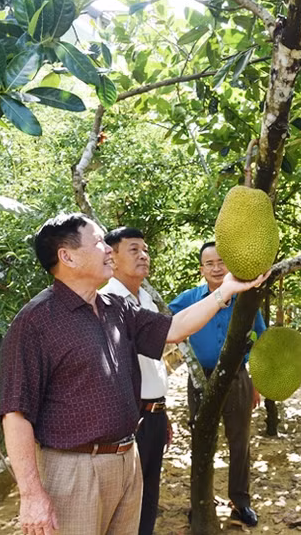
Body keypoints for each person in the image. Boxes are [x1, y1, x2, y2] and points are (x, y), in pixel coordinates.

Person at [0, 214, 268, 535]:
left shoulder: (116, 308)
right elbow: (15, 413)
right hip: (74, 471)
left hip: (127, 458)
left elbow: (175, 327)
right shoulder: (35, 322)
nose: (108, 250)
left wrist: (224, 291)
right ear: (66, 256)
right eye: (99, 242)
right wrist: (31, 495)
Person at [168, 242, 266, 528]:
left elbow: (261, 339)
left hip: (238, 378)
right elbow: (162, 320)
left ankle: (241, 502)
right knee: (201, 441)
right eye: (209, 263)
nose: (216, 268)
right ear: (202, 269)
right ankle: (201, 500)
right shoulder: (189, 299)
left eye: (221, 262)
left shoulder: (245, 300)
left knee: (240, 441)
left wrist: (256, 383)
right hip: (200, 378)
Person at [99, 226, 170, 535]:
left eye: (145, 250)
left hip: (153, 414)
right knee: (126, 500)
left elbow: (154, 364)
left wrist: (161, 410)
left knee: (149, 492)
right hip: (131, 417)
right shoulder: (108, 302)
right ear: (111, 257)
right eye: (134, 250)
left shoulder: (146, 300)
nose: (144, 255)